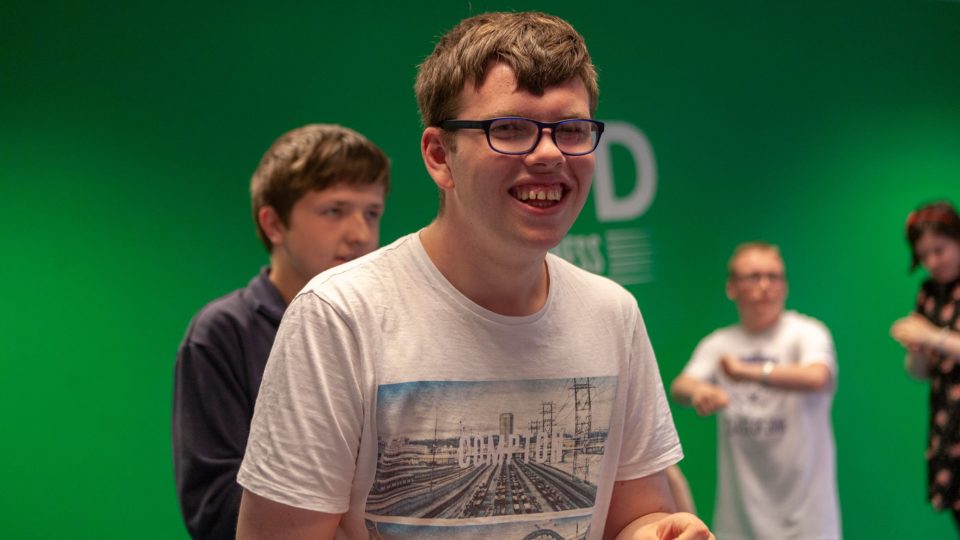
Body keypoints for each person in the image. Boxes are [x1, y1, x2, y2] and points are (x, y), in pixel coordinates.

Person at [235, 11, 713, 540]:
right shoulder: (342, 315)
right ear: (440, 156)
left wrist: (659, 532)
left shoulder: (611, 312)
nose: (550, 153)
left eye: (572, 130)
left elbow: (634, 514)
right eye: (510, 129)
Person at [172, 124, 390, 540]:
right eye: (334, 210)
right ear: (274, 224)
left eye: (372, 212)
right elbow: (214, 509)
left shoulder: (385, 324)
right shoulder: (222, 332)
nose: (360, 234)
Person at [671, 242, 841, 539]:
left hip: (808, 522)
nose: (765, 286)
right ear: (732, 287)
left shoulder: (807, 333)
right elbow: (680, 386)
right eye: (753, 277)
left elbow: (818, 377)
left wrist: (745, 372)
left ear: (785, 286)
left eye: (774, 277)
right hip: (740, 522)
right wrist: (699, 392)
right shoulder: (718, 344)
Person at [891, 201, 960, 532]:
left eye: (940, 250)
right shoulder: (930, 292)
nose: (932, 262)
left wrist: (932, 336)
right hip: (949, 425)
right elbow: (919, 373)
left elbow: (938, 340)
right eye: (924, 255)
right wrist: (916, 348)